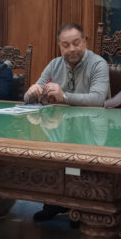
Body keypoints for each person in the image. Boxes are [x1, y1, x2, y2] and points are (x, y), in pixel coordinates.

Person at [24, 23, 110, 221]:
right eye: (65, 45)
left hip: (91, 129)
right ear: (59, 46)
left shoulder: (98, 64)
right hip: (60, 128)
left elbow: (98, 99)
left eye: (76, 43)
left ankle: (82, 209)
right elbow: (31, 95)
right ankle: (55, 202)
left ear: (85, 41)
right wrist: (32, 93)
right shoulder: (54, 65)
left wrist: (64, 97)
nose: (71, 49)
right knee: (49, 154)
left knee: (81, 165)